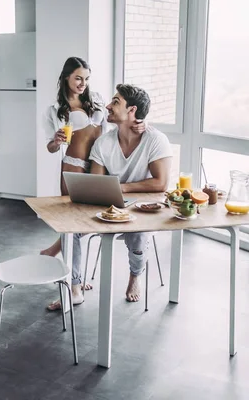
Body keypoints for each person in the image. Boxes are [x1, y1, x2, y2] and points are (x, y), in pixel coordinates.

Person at [41, 57, 144, 310]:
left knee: (86, 222)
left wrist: (142, 122)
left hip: (100, 162)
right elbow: (51, 147)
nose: (82, 84)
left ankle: (58, 253)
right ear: (66, 77)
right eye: (78, 78)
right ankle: (74, 286)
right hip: (74, 163)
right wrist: (56, 140)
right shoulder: (55, 109)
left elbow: (117, 120)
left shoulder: (95, 98)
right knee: (74, 220)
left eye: (86, 79)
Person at [89, 84, 172, 302]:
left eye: (115, 102)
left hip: (144, 209)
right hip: (109, 206)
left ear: (132, 110)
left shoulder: (155, 140)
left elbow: (161, 183)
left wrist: (119, 187)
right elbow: (96, 183)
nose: (108, 106)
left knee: (138, 233)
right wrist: (111, 190)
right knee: (74, 231)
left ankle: (135, 275)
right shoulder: (103, 143)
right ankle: (75, 285)